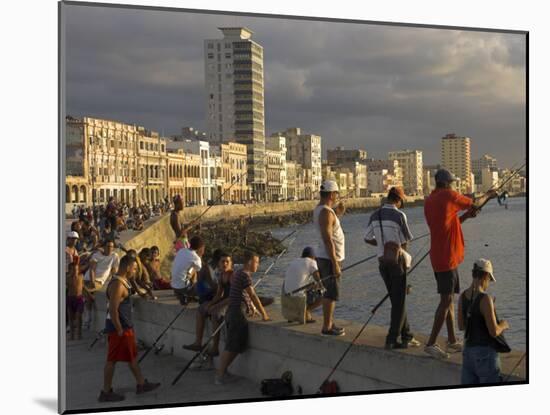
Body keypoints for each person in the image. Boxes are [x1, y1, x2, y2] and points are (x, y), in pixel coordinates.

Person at [423, 169, 498, 359]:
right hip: (447, 257)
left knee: (449, 299)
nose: (454, 185)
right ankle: (431, 343)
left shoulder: (430, 200)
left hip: (439, 256)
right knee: (446, 301)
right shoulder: (448, 195)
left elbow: (448, 223)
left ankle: (451, 340)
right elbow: (475, 202)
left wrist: (466, 217)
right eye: (453, 182)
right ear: (446, 183)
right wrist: (489, 194)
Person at [98, 255, 160, 402]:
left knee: (131, 357)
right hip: (119, 328)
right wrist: (119, 329)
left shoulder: (123, 281)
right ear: (127, 267)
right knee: (112, 360)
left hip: (124, 327)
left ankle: (141, 384)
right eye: (134, 268)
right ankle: (106, 392)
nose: (135, 271)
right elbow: (113, 309)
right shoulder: (118, 285)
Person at [364, 187, 420, 350]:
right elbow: (406, 240)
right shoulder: (399, 215)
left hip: (382, 263)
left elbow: (367, 238)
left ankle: (406, 335)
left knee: (396, 300)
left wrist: (381, 244)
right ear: (399, 200)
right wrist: (406, 262)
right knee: (399, 301)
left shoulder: (375, 215)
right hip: (397, 263)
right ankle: (391, 338)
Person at [215, 251, 270, 385]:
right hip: (236, 314)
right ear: (250, 262)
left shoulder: (238, 273)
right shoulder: (244, 275)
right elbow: (253, 295)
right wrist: (264, 313)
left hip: (231, 312)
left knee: (234, 345)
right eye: (257, 262)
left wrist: (251, 309)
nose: (258, 265)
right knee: (232, 346)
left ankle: (223, 372)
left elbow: (242, 295)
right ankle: (220, 375)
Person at [458, 259, 509, 384]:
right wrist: (503, 325)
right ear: (485, 276)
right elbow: (493, 332)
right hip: (485, 354)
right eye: (489, 280)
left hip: (468, 354)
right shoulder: (485, 298)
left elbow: (461, 326)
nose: (488, 284)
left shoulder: (463, 296)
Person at [184, 251, 233, 356]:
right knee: (202, 309)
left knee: (215, 313)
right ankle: (198, 342)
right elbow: (219, 294)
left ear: (231, 263)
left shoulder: (232, 276)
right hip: (224, 299)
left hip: (233, 301)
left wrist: (216, 306)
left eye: (227, 262)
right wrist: (211, 303)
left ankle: (215, 348)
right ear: (219, 263)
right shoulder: (221, 276)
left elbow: (233, 297)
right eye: (222, 262)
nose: (225, 264)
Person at [313, 180, 346, 336]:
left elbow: (329, 227)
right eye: (336, 194)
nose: (337, 196)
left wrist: (338, 213)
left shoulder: (323, 210)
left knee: (330, 292)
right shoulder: (326, 212)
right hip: (328, 258)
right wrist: (335, 263)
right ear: (332, 194)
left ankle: (330, 323)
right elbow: (328, 238)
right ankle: (327, 327)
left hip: (325, 257)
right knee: (331, 294)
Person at [83, 239, 120, 329]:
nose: (110, 248)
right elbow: (92, 269)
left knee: (86, 294)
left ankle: (87, 319)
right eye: (108, 246)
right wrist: (92, 282)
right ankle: (86, 318)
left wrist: (112, 281)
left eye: (111, 247)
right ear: (104, 247)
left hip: (99, 281)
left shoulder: (114, 256)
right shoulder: (96, 255)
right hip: (89, 279)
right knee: (82, 292)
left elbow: (114, 270)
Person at [282, 247, 324, 323]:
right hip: (298, 297)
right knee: (325, 296)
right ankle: (306, 311)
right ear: (313, 256)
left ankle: (293, 315)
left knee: (304, 287)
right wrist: (321, 285)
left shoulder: (294, 261)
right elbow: (317, 277)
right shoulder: (311, 262)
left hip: (286, 294)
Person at [171, 235, 205, 305]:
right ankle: (191, 293)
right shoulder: (196, 258)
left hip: (173, 285)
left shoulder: (181, 250)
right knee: (195, 270)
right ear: (200, 248)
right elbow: (199, 269)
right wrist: (200, 255)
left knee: (190, 267)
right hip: (183, 287)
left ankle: (184, 299)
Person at [66, 231, 83, 340]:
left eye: (75, 239)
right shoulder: (64, 250)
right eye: (72, 238)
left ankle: (76, 334)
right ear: (68, 239)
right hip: (66, 276)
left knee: (77, 316)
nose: (74, 240)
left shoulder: (76, 251)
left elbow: (77, 265)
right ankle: (69, 330)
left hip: (74, 276)